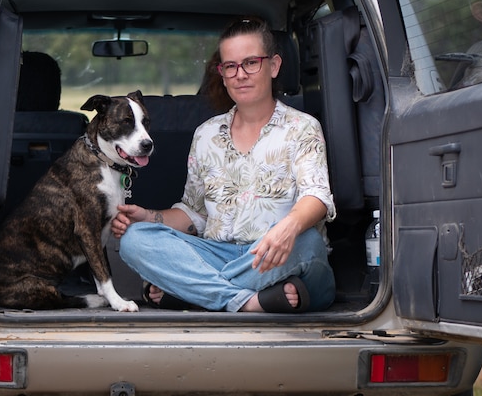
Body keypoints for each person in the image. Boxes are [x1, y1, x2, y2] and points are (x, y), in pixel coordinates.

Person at [111, 16, 337, 313]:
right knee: (134, 239)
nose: (240, 74)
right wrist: (149, 216)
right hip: (220, 254)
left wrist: (287, 229)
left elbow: (317, 196)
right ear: (222, 73)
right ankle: (246, 302)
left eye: (251, 63)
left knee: (307, 242)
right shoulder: (206, 134)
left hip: (280, 254)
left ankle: (193, 292)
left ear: (274, 65)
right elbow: (195, 214)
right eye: (230, 66)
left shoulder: (302, 127)